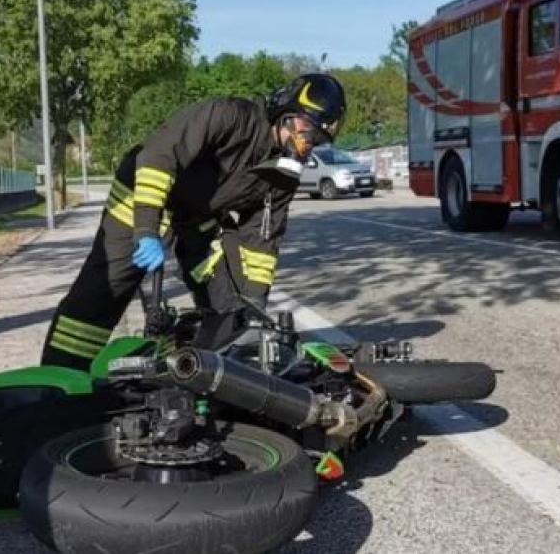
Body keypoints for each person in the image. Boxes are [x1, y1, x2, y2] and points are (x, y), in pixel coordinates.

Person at [40, 73, 346, 368]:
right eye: (308, 130)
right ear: (286, 111)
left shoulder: (283, 174)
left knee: (230, 308)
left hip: (196, 219)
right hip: (142, 198)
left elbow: (263, 241)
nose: (308, 143)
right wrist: (146, 229)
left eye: (317, 138)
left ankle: (206, 375)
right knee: (100, 295)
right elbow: (158, 155)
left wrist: (255, 306)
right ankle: (56, 384)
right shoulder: (229, 116)